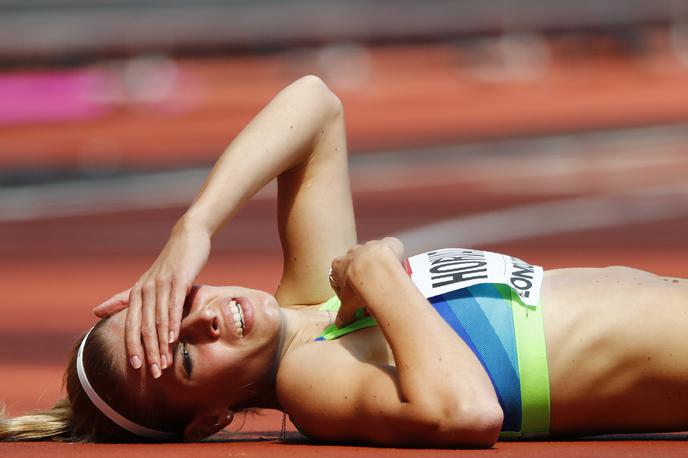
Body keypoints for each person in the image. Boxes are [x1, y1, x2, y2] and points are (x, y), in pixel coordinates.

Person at [2, 75, 688, 447]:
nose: (204, 321)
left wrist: (194, 226)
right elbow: (465, 413)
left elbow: (315, 104)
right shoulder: (315, 385)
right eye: (183, 358)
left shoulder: (311, 303)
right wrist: (377, 272)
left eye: (178, 305)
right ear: (208, 419)